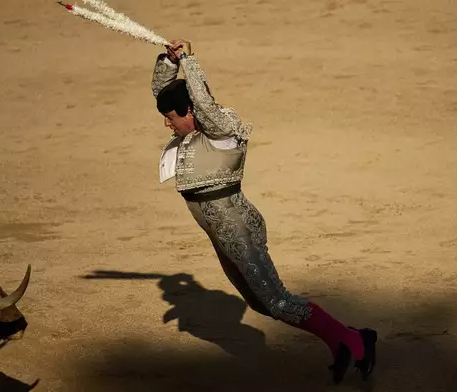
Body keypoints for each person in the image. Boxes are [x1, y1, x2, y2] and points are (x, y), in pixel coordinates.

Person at [151, 39, 377, 383]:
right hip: (221, 232)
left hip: (238, 230)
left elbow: (204, 105)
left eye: (171, 118)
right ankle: (341, 340)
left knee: (277, 301)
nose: (168, 125)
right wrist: (170, 63)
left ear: (191, 111)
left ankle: (354, 339)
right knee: (260, 304)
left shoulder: (222, 128)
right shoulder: (194, 130)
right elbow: (165, 93)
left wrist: (190, 62)